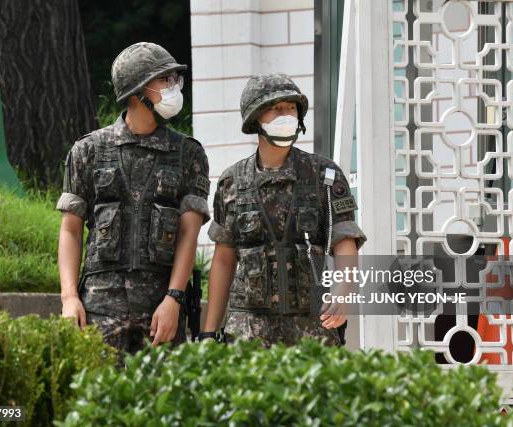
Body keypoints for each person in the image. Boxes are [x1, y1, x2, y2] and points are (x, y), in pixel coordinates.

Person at [57, 42, 210, 364]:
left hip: (161, 313)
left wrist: (174, 298)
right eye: (164, 80)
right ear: (137, 91)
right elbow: (70, 229)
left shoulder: (188, 154)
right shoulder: (89, 150)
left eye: (174, 80)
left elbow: (188, 234)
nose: (174, 88)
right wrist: (69, 298)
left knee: (163, 408)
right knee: (96, 406)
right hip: (98, 312)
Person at [200, 73, 367, 346]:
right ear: (255, 118)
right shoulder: (232, 182)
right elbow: (223, 259)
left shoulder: (324, 175)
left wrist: (342, 292)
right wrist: (208, 333)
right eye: (276, 108)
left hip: (311, 327)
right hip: (248, 332)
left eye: (291, 107)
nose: (285, 114)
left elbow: (345, 241)